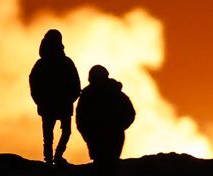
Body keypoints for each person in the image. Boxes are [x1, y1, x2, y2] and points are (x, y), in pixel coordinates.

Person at [28, 29, 81, 166]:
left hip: (56, 105)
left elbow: (75, 84)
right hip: (52, 105)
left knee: (55, 134)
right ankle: (52, 158)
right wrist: (39, 100)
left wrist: (70, 98)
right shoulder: (53, 63)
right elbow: (34, 83)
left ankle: (53, 158)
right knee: (53, 134)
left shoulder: (45, 63)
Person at [76, 65, 136, 172]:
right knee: (107, 167)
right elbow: (81, 120)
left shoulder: (89, 95)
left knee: (106, 167)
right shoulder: (90, 95)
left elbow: (80, 121)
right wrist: (119, 127)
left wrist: (119, 127)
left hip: (106, 137)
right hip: (102, 138)